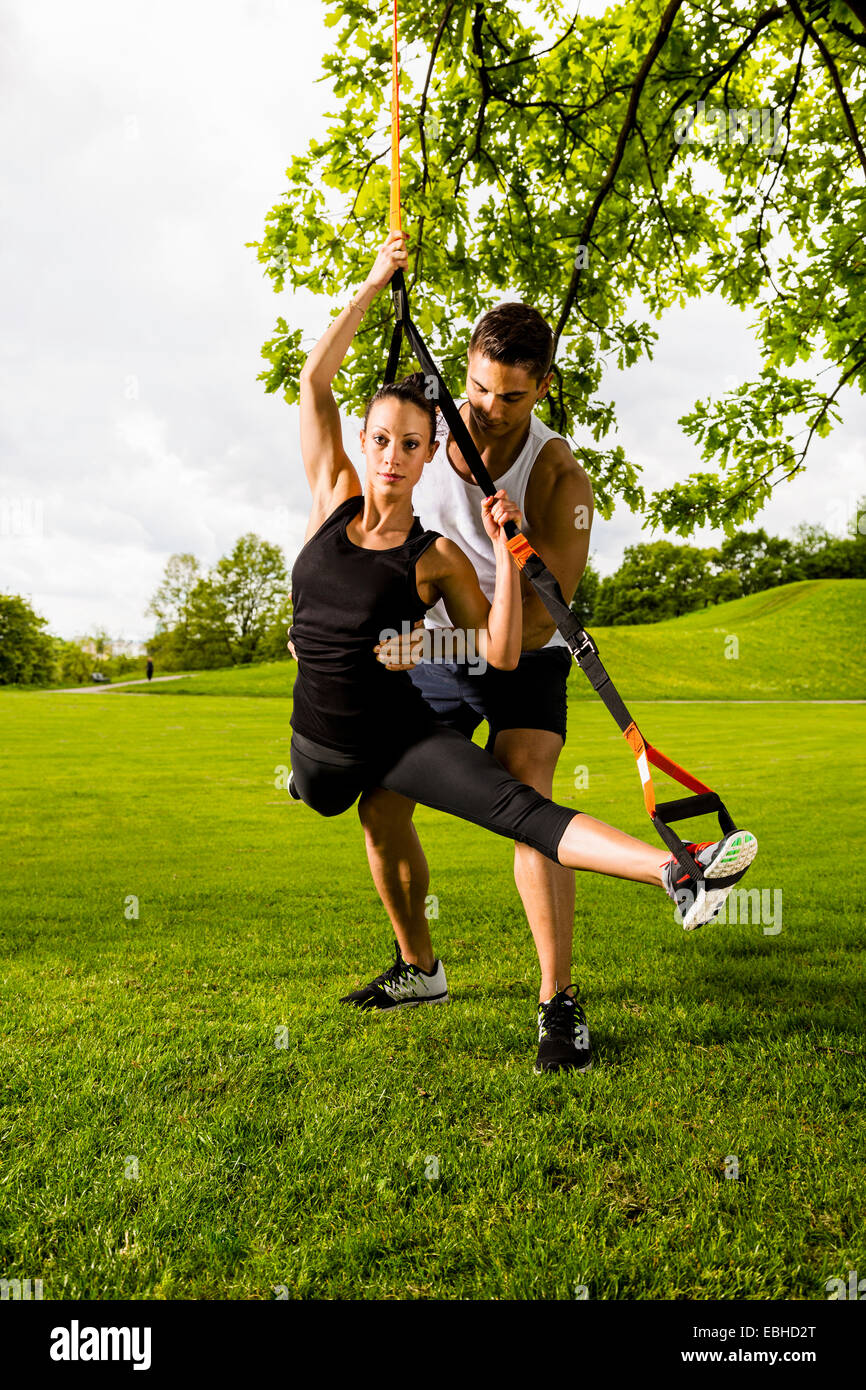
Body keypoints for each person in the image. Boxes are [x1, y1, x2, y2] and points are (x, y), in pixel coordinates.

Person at [287, 230, 758, 1074]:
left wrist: (508, 566)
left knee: (525, 794)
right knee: (380, 808)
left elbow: (534, 630)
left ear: (541, 387)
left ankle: (557, 1002)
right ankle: (419, 968)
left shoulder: (558, 480)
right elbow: (318, 398)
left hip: (519, 648)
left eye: (507, 396)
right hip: (431, 647)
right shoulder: (428, 435)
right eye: (474, 388)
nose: (485, 408)